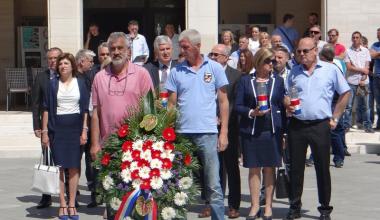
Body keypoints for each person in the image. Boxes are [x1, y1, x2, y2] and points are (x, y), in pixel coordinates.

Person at [166, 29, 229, 220]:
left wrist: (224, 132)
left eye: (185, 47)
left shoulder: (215, 68)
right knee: (180, 183)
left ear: (198, 46)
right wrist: (168, 132)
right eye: (181, 47)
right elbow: (171, 104)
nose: (182, 50)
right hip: (182, 134)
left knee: (213, 184)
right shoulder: (176, 71)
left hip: (208, 133)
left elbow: (224, 101)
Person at [285, 37, 350, 220]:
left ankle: (324, 209)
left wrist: (335, 117)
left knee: (322, 168)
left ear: (315, 51)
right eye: (299, 51)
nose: (301, 55)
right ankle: (294, 207)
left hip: (320, 125)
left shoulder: (330, 70)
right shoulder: (293, 72)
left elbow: (345, 92)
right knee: (296, 169)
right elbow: (288, 95)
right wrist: (287, 104)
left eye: (305, 51)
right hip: (297, 125)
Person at [90, 32, 153, 220]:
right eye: (113, 49)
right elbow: (95, 113)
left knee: (135, 201)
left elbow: (150, 112)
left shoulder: (142, 74)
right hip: (108, 147)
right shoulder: (99, 77)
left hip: (136, 147)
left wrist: (148, 143)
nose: (116, 52)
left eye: (120, 48)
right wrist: (94, 144)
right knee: (113, 198)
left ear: (129, 51)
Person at [236, 48, 286, 220]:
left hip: (272, 130)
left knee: (270, 169)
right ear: (258, 62)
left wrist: (284, 133)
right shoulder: (245, 81)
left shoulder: (278, 81)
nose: (271, 64)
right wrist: (251, 112)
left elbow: (282, 106)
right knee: (254, 169)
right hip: (252, 131)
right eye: (268, 61)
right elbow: (238, 105)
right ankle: (255, 205)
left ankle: (268, 207)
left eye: (273, 61)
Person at [41, 53, 90, 219]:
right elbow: (46, 108)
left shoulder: (81, 83)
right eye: (60, 63)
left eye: (66, 63)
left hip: (75, 129)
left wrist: (84, 130)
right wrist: (45, 133)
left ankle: (72, 204)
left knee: (75, 167)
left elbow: (85, 110)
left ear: (72, 66)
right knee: (60, 168)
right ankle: (62, 203)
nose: (62, 66)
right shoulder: (52, 84)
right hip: (58, 130)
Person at [209, 44, 242, 219]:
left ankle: (234, 205)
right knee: (213, 168)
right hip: (208, 127)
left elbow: (236, 101)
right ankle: (213, 204)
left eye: (216, 54)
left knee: (230, 167)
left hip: (229, 128)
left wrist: (223, 118)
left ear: (226, 57)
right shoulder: (205, 74)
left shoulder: (236, 75)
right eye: (211, 54)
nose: (212, 57)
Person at [31, 47, 62, 209]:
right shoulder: (41, 77)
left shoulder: (67, 76)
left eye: (55, 58)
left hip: (65, 126)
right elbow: (35, 103)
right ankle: (46, 195)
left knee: (67, 161)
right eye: (49, 58)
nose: (52, 61)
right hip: (46, 126)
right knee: (47, 161)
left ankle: (70, 195)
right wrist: (36, 126)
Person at [319, 44, 347, 168]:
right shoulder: (332, 67)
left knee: (334, 132)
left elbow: (343, 90)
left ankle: (339, 157)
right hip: (330, 103)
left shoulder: (333, 69)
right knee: (334, 132)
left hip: (334, 103)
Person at [342, 31, 373, 133]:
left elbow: (367, 66)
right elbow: (349, 67)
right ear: (352, 39)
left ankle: (368, 126)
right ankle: (347, 125)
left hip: (364, 82)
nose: (355, 39)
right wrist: (362, 70)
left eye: (357, 37)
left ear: (360, 39)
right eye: (353, 37)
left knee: (366, 106)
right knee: (348, 106)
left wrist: (364, 77)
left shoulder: (366, 51)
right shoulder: (348, 51)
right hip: (351, 81)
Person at [370, 28, 380, 130]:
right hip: (377, 76)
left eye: (379, 35)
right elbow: (371, 55)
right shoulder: (375, 44)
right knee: (378, 103)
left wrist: (376, 54)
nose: (378, 36)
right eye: (377, 35)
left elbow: (374, 55)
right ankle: (379, 124)